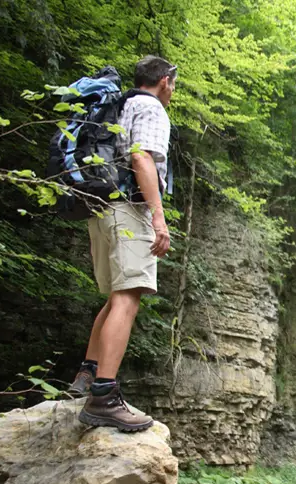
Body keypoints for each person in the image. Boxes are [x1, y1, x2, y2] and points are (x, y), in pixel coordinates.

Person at [69, 55, 176, 432]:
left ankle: (88, 374)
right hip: (129, 209)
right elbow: (141, 158)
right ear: (165, 80)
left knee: (117, 295)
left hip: (101, 206)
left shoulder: (122, 104)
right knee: (129, 296)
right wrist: (158, 217)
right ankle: (104, 397)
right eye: (173, 82)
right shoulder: (150, 108)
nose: (173, 90)